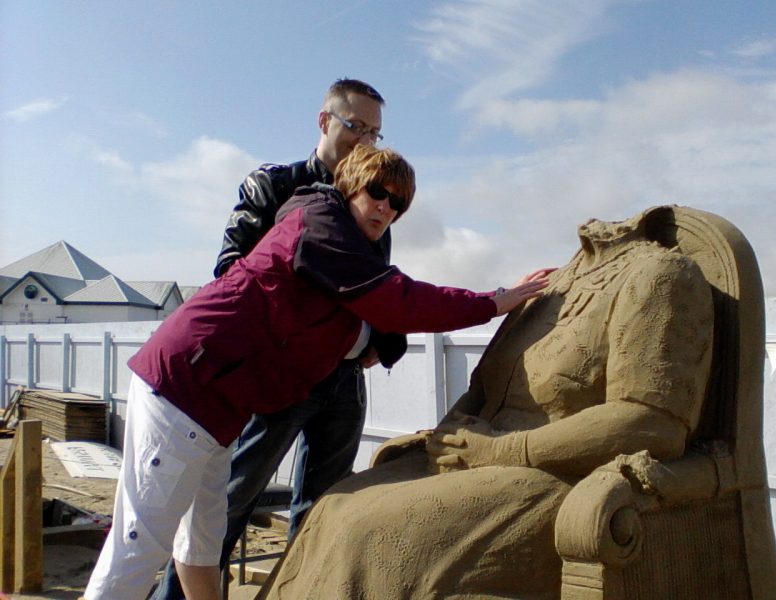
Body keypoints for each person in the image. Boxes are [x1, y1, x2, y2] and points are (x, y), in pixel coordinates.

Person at [83, 144, 551, 600]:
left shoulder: (338, 245)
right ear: (349, 184)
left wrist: (378, 341)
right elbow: (397, 300)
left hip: (215, 404)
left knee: (202, 537)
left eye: (398, 203)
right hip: (184, 387)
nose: (386, 208)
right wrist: (494, 302)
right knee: (139, 545)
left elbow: (366, 317)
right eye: (377, 192)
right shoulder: (323, 225)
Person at [264, 207, 716, 600]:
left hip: (557, 472)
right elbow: (481, 391)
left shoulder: (658, 274)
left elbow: (652, 420)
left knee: (378, 533)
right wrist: (446, 438)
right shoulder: (552, 287)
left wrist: (502, 450)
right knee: (337, 504)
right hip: (483, 462)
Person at [152, 78, 404, 600]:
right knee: (223, 509)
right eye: (356, 126)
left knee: (323, 514)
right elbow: (230, 274)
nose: (366, 142)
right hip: (274, 383)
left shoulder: (373, 198)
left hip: (342, 382)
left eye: (376, 133)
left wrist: (383, 333)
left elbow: (375, 289)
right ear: (325, 121)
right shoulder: (273, 185)